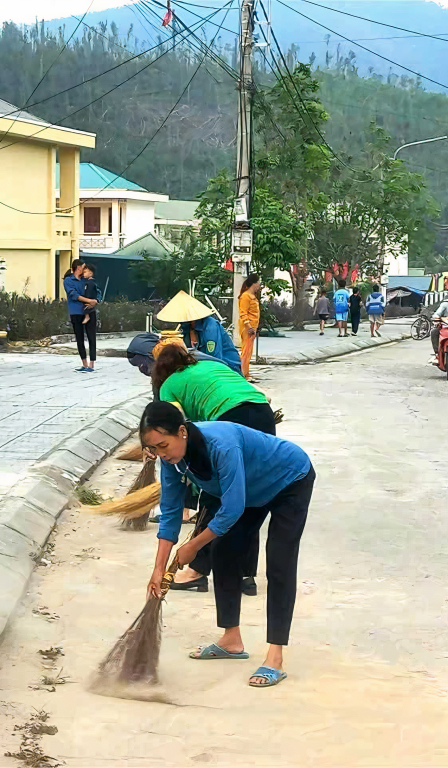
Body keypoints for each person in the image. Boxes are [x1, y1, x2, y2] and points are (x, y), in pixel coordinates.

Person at [141, 400, 315, 688]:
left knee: (279, 561)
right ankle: (231, 640)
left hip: (288, 479)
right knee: (224, 552)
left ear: (181, 432)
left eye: (163, 445)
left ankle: (275, 657)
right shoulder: (172, 460)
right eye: (154, 449)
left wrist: (194, 545)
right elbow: (171, 512)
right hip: (248, 490)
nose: (161, 453)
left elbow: (232, 509)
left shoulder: (221, 445)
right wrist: (158, 569)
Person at [151, 344, 273, 595]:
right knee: (247, 494)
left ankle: (196, 570)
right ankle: (245, 575)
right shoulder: (210, 365)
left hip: (231, 418)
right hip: (262, 412)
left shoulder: (168, 386)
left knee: (214, 493)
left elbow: (175, 426)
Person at [63, 260, 98, 372]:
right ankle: (84, 363)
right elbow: (73, 294)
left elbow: (97, 291)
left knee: (92, 337)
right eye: (83, 267)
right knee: (80, 338)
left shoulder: (86, 279)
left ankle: (91, 364)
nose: (85, 269)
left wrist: (96, 301)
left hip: (89, 311)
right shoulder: (68, 280)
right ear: (78, 267)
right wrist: (88, 300)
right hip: (76, 312)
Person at [237, 273, 261, 380]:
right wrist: (249, 327)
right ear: (254, 283)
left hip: (252, 327)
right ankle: (243, 374)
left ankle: (246, 373)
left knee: (249, 351)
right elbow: (243, 313)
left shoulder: (252, 296)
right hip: (248, 328)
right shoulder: (245, 296)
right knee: (246, 351)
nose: (259, 285)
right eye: (258, 283)